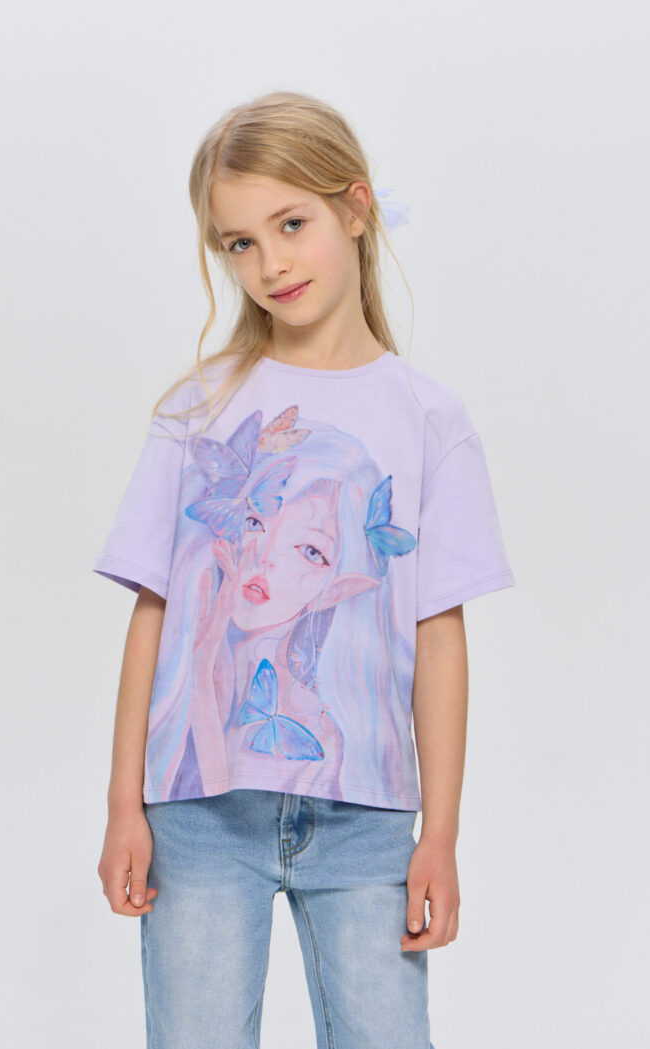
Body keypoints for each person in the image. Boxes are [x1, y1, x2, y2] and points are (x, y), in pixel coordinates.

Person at [93, 90, 516, 1049]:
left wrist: (439, 834)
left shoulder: (429, 421)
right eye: (239, 242)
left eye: (291, 225)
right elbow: (153, 610)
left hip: (365, 822)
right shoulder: (199, 410)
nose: (270, 263)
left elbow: (438, 636)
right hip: (199, 816)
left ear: (356, 207)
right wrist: (124, 804)